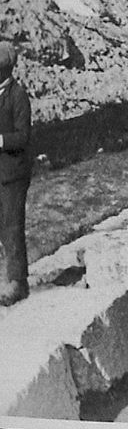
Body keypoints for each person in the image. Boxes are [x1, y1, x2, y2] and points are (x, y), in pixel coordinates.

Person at [0, 42, 32, 306]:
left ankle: (17, 282)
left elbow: (23, 137)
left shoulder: (17, 95)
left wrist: (0, 141)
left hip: (13, 174)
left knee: (12, 228)